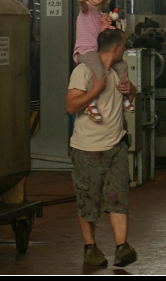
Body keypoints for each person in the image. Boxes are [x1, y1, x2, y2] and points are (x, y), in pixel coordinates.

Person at [65, 28, 138, 267]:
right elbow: (70, 106)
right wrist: (95, 90)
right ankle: (90, 247)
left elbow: (129, 95)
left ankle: (121, 247)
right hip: (87, 149)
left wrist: (132, 91)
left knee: (119, 197)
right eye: (124, 46)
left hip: (115, 146)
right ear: (116, 49)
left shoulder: (118, 72)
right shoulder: (84, 72)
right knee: (88, 200)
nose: (125, 50)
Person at [75, 0, 133, 121]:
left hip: (97, 51)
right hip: (85, 51)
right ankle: (90, 101)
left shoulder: (101, 15)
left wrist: (108, 23)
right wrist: (81, 0)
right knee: (99, 71)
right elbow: (82, 6)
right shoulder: (86, 9)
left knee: (122, 65)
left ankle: (124, 96)